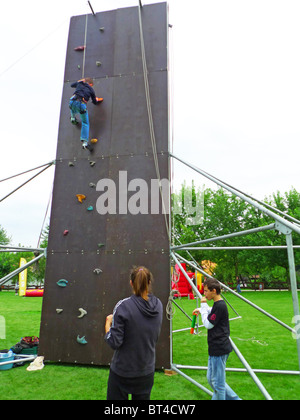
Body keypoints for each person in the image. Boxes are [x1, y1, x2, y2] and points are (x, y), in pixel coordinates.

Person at [104, 266, 163, 400]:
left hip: (122, 373)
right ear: (149, 282)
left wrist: (108, 324)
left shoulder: (123, 306)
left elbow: (114, 342)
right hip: (146, 371)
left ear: (131, 283)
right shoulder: (158, 305)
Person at [193, 278, 241, 400]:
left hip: (219, 348)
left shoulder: (220, 305)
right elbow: (212, 311)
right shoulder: (217, 304)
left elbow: (208, 324)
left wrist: (203, 306)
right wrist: (202, 309)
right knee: (211, 379)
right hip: (215, 348)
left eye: (206, 291)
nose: (204, 294)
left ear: (214, 291)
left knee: (218, 384)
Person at [69, 77, 103, 151]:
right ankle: (85, 143)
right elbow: (94, 102)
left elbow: (72, 85)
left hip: (72, 100)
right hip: (81, 104)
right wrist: (96, 99)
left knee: (73, 107)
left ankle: (72, 117)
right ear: (90, 84)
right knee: (85, 123)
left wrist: (79, 81)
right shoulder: (91, 89)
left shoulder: (79, 83)